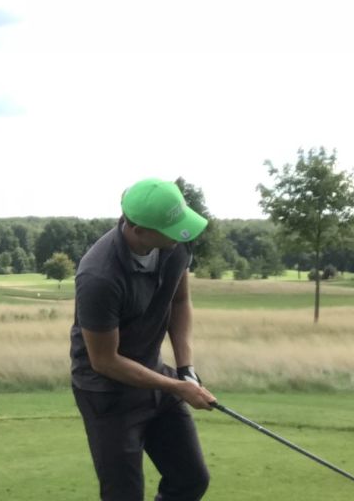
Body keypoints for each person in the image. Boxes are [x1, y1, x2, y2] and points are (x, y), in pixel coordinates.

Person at [70, 177, 218, 501]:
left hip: (156, 377)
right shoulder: (99, 276)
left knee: (191, 480)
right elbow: (104, 361)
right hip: (107, 395)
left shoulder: (175, 245)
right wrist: (176, 387)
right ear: (138, 230)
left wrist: (186, 370)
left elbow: (179, 301)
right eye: (172, 228)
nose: (182, 233)